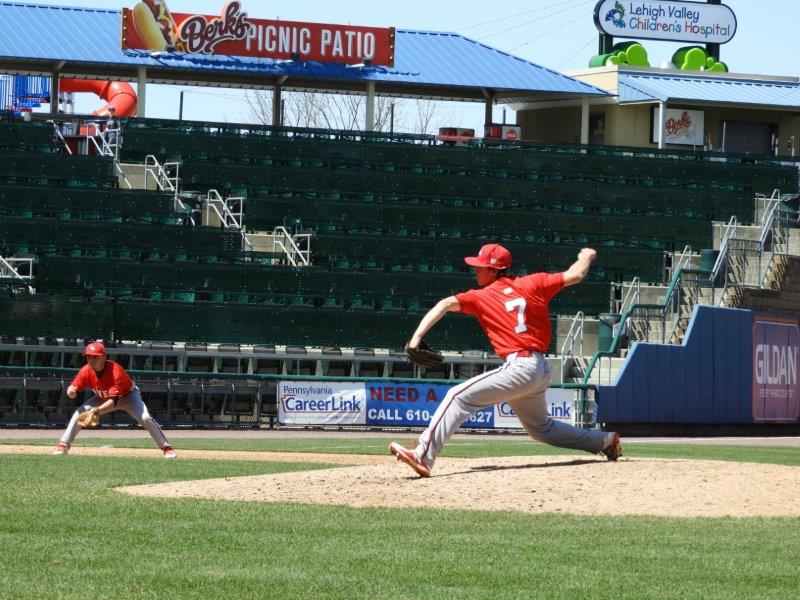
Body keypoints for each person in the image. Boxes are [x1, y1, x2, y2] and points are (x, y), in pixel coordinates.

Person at [389, 243, 621, 477]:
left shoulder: (481, 296)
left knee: (457, 396)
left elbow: (444, 304)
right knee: (542, 429)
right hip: (539, 368)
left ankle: (422, 455)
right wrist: (586, 255)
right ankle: (603, 440)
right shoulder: (533, 282)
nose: (476, 270)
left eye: (480, 267)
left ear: (494, 270)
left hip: (520, 366)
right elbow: (576, 275)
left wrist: (416, 338)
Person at [53, 342, 176, 458]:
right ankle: (63, 445)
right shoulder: (85, 371)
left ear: (103, 357)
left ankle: (167, 448)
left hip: (128, 396)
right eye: (89, 357)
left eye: (95, 357)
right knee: (79, 412)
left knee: (145, 418)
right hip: (103, 397)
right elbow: (74, 389)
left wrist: (96, 411)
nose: (91, 360)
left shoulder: (115, 371)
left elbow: (113, 402)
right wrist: (71, 392)